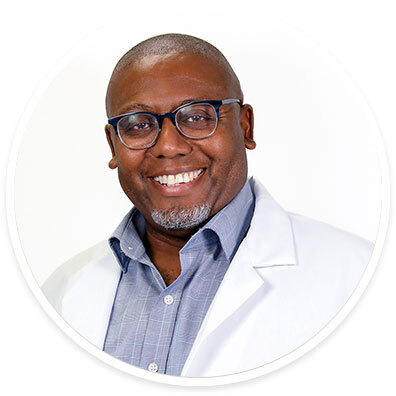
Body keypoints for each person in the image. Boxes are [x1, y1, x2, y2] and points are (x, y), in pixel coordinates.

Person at [42, 33, 373, 377]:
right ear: (113, 146)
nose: (168, 146)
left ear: (246, 126)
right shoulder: (60, 292)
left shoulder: (360, 281)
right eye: (139, 125)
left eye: (198, 117)